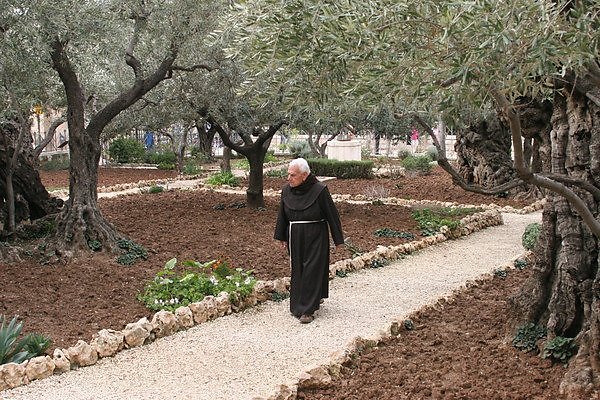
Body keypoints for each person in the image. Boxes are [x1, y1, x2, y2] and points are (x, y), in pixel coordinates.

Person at [274, 158, 344, 324]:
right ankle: (300, 303)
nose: (288, 178)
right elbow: (282, 214)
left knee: (312, 269)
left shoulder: (320, 190)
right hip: (295, 234)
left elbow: (332, 215)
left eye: (293, 175)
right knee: (298, 269)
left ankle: (307, 310)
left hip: (316, 235)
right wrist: (281, 235)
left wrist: (338, 239)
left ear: (304, 176)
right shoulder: (286, 190)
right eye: (288, 174)